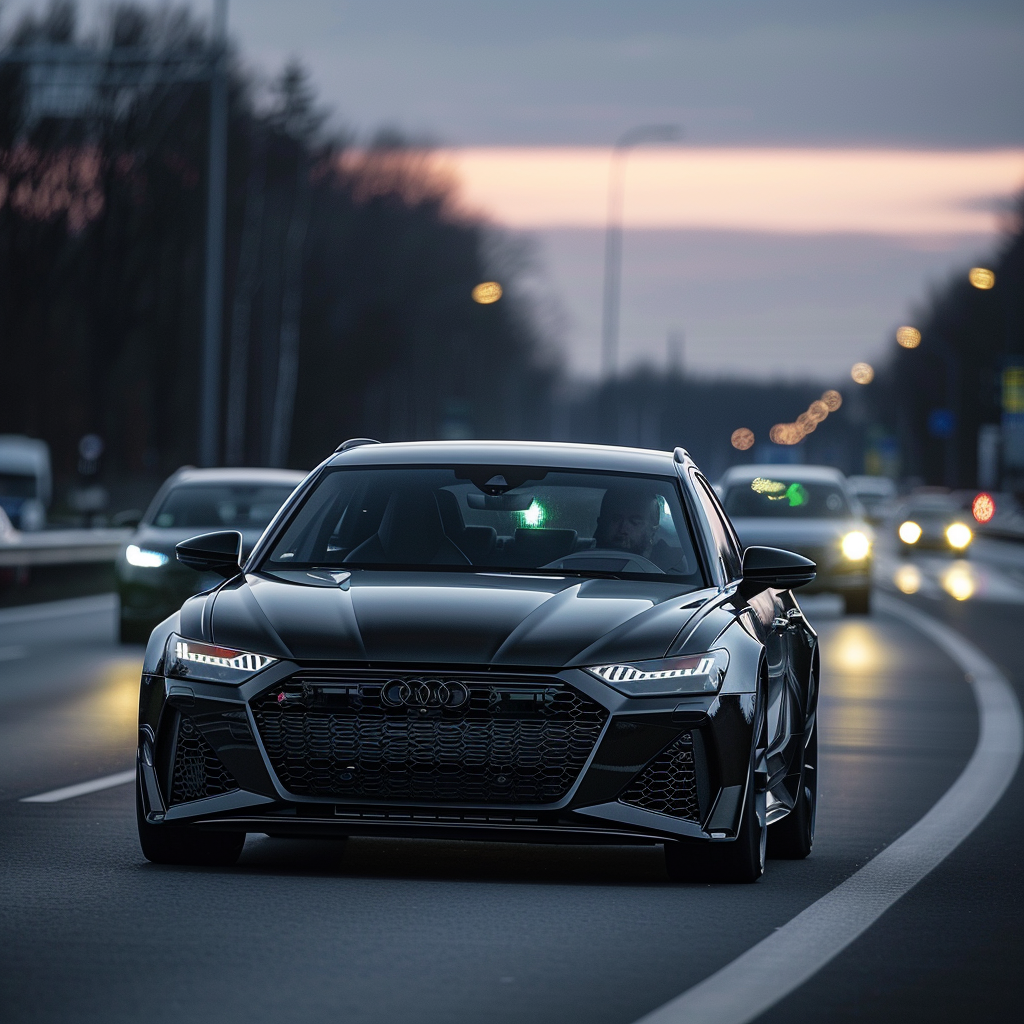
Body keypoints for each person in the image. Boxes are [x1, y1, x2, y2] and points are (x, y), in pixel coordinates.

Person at [594, 486, 662, 558]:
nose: (623, 529)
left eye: (635, 522)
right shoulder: (583, 559)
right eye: (616, 520)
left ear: (652, 530)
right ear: (601, 524)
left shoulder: (668, 562)